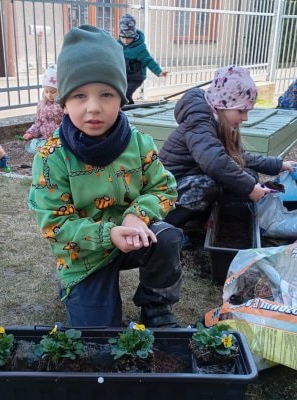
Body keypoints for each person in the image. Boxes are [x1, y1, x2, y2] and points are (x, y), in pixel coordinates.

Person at [28, 25, 183, 328]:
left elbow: (165, 187)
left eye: (106, 94)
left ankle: (157, 307)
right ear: (64, 103)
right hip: (84, 254)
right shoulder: (51, 158)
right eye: (79, 95)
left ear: (121, 97)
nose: (94, 107)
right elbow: (55, 225)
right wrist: (109, 234)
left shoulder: (139, 143)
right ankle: (77, 288)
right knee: (98, 336)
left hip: (133, 236)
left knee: (167, 238)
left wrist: (137, 216)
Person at [159, 65, 297, 230]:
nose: (245, 118)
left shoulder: (217, 122)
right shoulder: (200, 123)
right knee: (207, 185)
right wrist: (249, 188)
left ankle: (208, 215)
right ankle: (169, 224)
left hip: (189, 178)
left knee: (250, 175)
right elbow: (215, 162)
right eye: (241, 111)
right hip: (166, 190)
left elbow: (239, 157)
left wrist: (277, 164)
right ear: (222, 105)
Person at [117, 14, 168, 104]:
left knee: (126, 93)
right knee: (121, 93)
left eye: (128, 38)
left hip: (136, 77)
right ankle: (129, 106)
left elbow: (148, 60)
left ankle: (127, 106)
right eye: (122, 37)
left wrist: (159, 72)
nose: (125, 41)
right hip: (124, 75)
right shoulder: (118, 44)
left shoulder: (140, 48)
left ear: (133, 36)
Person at [23, 64, 64, 154]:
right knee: (33, 145)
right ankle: (48, 148)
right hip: (45, 138)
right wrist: (31, 132)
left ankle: (53, 149)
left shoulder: (63, 105)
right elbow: (38, 122)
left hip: (60, 138)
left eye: (53, 92)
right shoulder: (42, 105)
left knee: (57, 147)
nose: (49, 95)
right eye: (46, 91)